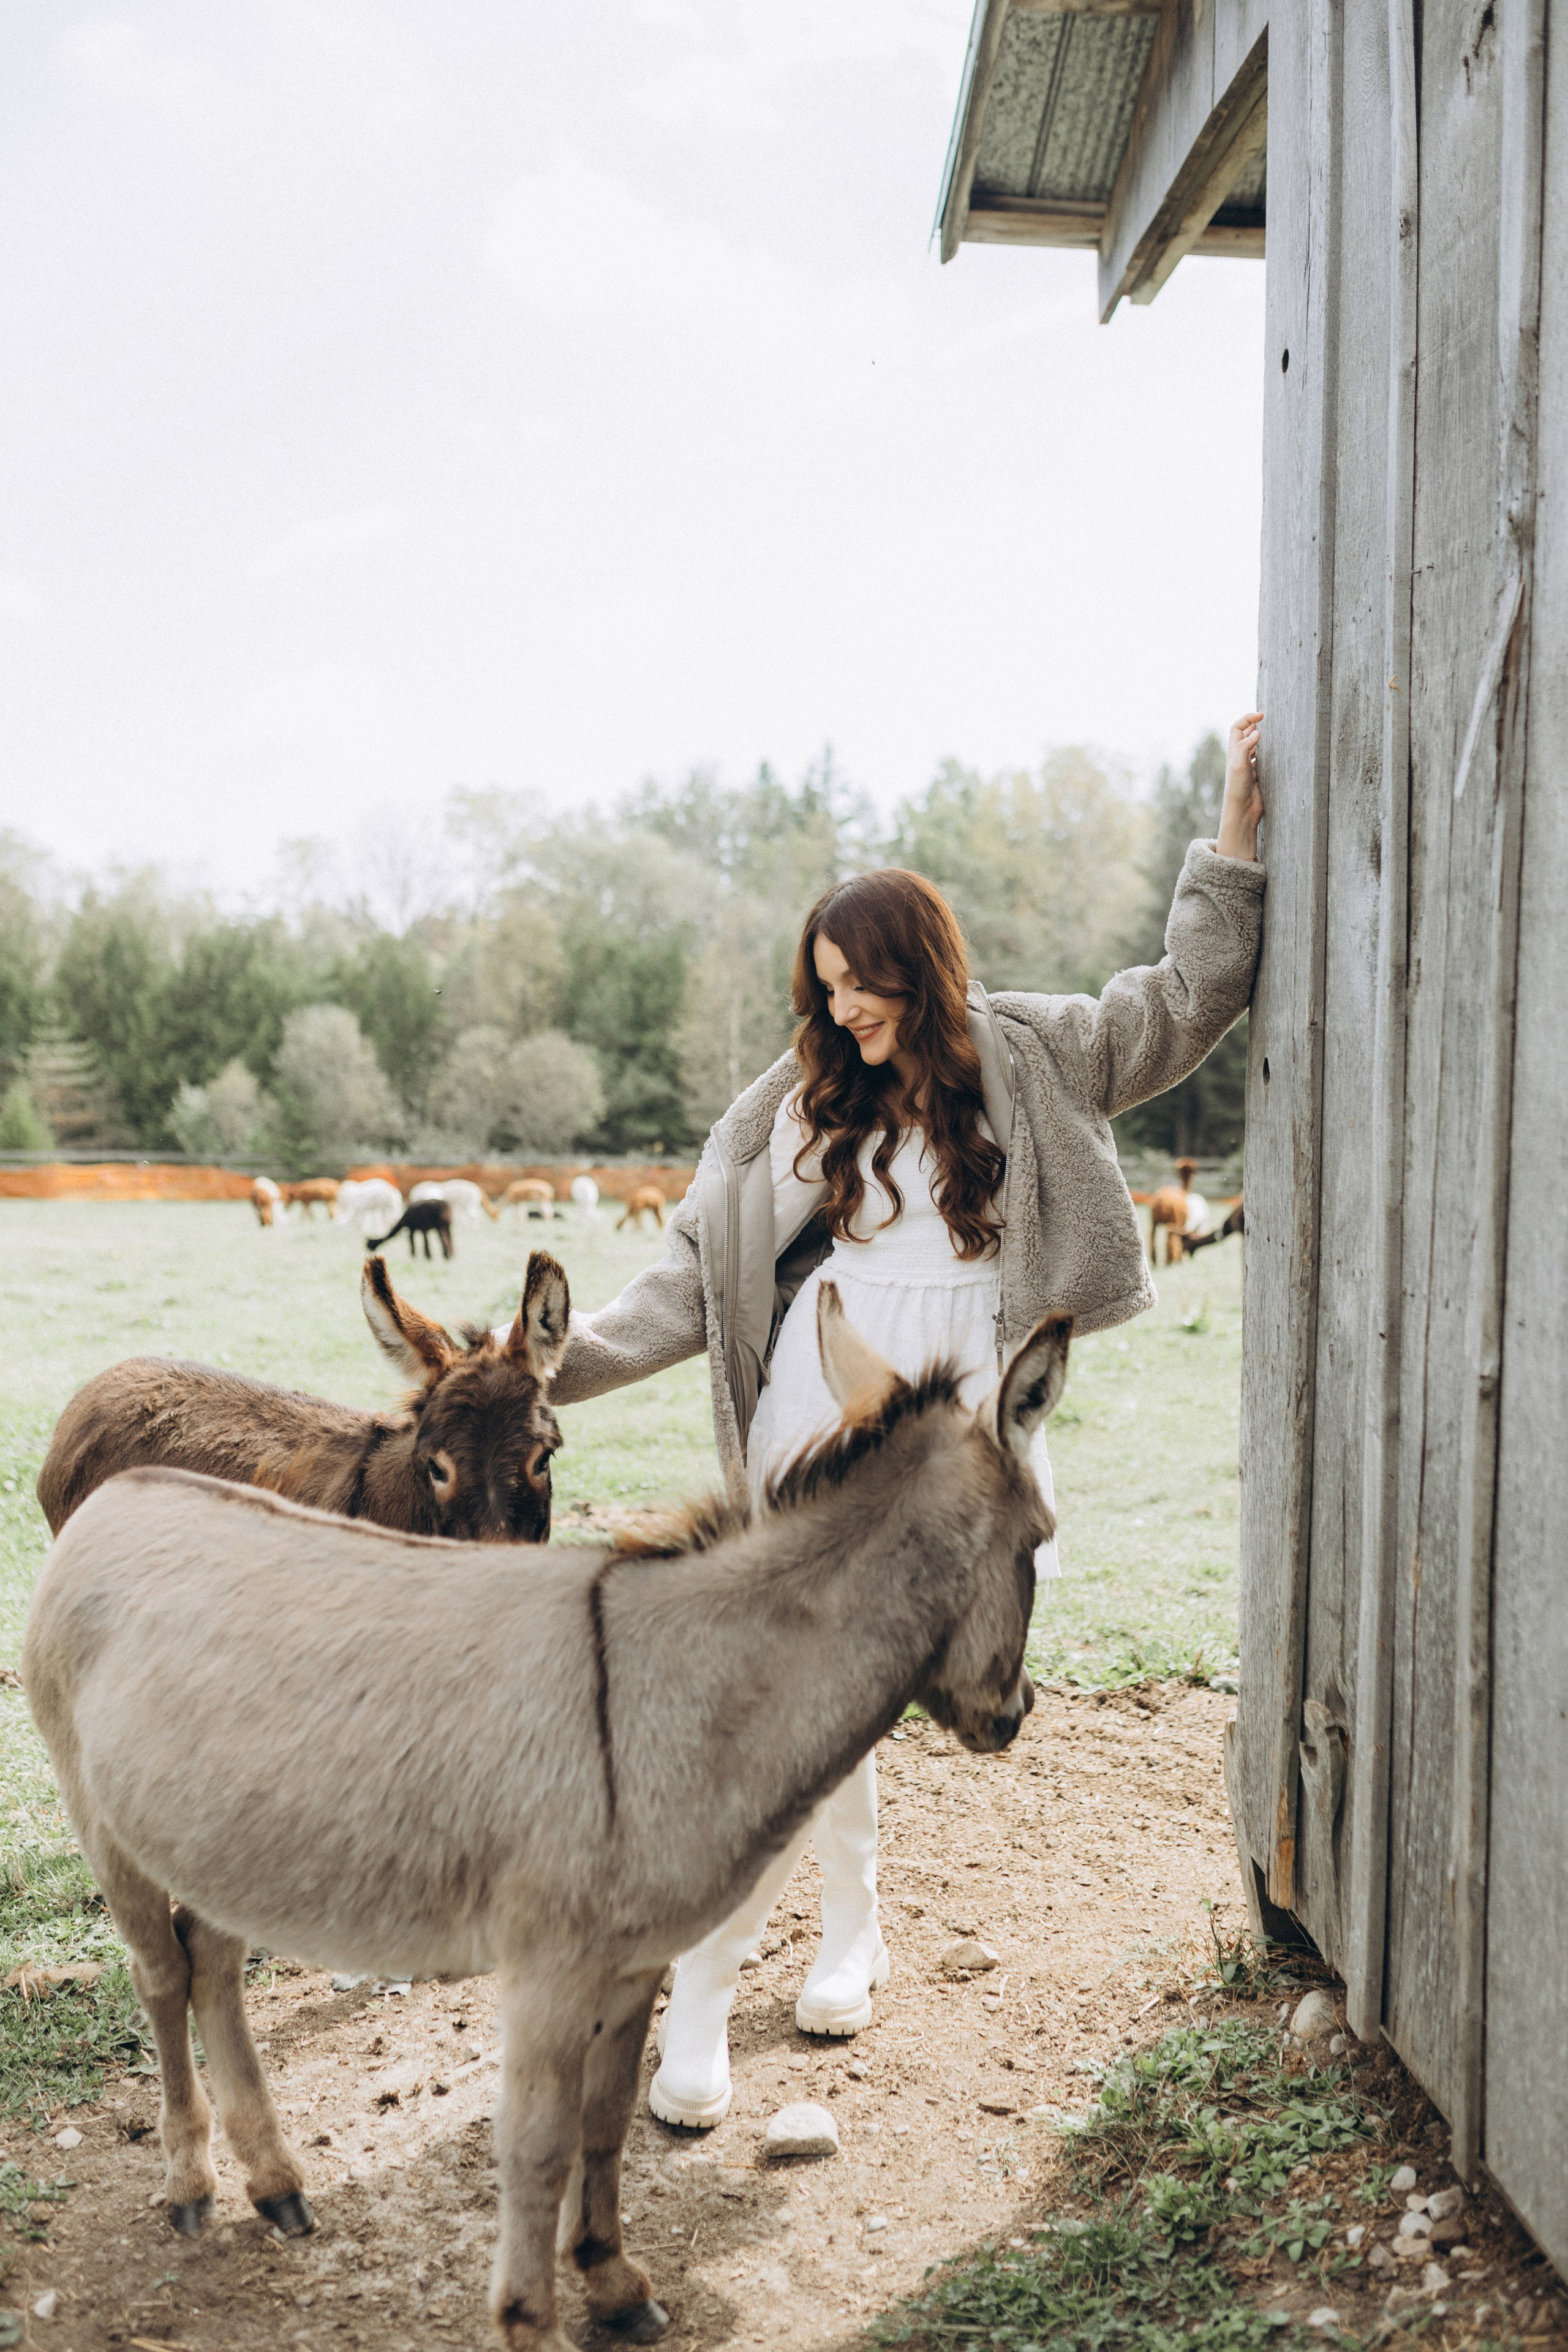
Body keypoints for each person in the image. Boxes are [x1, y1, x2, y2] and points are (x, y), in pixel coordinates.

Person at [516, 710, 1265, 2128]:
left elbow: (1182, 999)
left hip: (967, 1427)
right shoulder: (800, 1107)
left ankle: (853, 1924)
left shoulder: (1032, 1058)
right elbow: (694, 1275)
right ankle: (705, 1996)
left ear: (919, 968)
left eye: (861, 985)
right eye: (824, 989)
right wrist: (546, 1378)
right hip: (825, 1401)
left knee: (854, 1706)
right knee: (784, 1698)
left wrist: (1231, 838)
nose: (844, 1011)